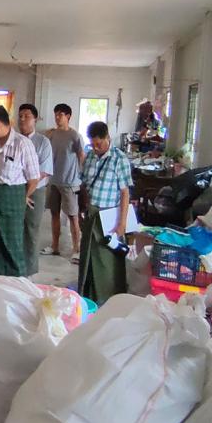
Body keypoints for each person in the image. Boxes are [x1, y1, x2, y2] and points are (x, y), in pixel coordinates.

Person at [0, 105, 40, 277]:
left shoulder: (22, 144)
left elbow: (34, 178)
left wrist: (23, 197)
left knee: (12, 246)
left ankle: (15, 281)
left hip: (12, 203)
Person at [79, 121, 133, 305]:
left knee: (107, 260)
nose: (96, 148)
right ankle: (89, 294)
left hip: (109, 216)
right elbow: (84, 185)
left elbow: (125, 193)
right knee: (89, 257)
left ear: (108, 138)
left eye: (99, 144)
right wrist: (82, 210)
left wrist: (122, 223)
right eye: (92, 144)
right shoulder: (90, 157)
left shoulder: (119, 159)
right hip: (91, 213)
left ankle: (109, 298)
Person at [43, 103, 86, 263]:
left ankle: (76, 250)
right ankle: (55, 246)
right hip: (54, 180)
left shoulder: (75, 136)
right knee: (54, 214)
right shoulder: (51, 135)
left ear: (68, 116)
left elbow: (81, 156)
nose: (57, 117)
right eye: (56, 114)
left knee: (73, 216)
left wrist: (83, 178)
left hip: (70, 182)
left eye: (60, 114)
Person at [18, 103, 53, 276]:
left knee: (31, 229)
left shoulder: (43, 142)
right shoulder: (15, 139)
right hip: (16, 189)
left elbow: (44, 171)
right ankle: (15, 266)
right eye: (20, 116)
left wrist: (27, 191)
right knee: (15, 228)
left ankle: (29, 270)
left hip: (35, 192)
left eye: (27, 116)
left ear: (35, 119)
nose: (22, 119)